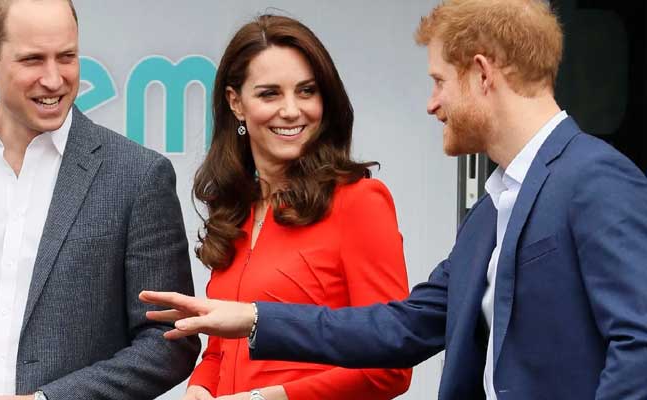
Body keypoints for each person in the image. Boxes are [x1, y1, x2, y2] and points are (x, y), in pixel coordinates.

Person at [139, 1, 647, 399]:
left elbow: (639, 345)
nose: (432, 103)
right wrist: (254, 319)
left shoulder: (594, 178)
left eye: (439, 82)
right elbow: (401, 327)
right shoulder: (491, 211)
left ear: (481, 75)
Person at [142, 14, 412, 400]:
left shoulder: (359, 201)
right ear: (236, 103)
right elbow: (222, 348)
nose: (291, 110)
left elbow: (391, 364)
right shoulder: (234, 210)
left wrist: (267, 398)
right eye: (270, 94)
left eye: (306, 91)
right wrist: (201, 385)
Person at [0, 1, 199, 399]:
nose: (54, 79)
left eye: (66, 57)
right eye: (33, 59)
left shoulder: (138, 176)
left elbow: (169, 341)